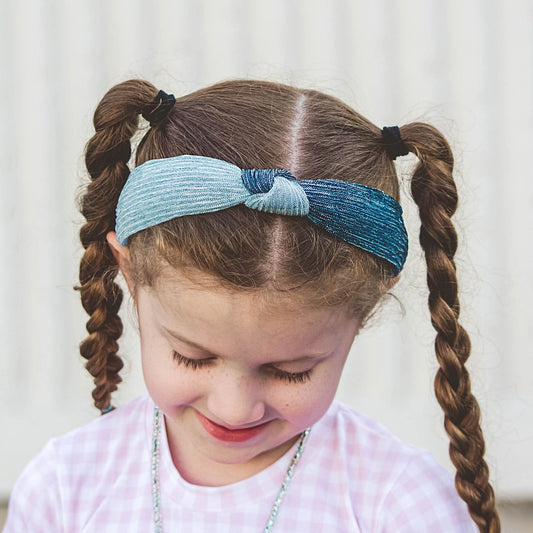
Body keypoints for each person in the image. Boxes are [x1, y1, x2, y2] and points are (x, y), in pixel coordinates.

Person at [4, 79, 500, 532]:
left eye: (290, 371)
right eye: (192, 357)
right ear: (129, 274)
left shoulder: (398, 504)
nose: (234, 407)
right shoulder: (64, 490)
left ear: (366, 307)